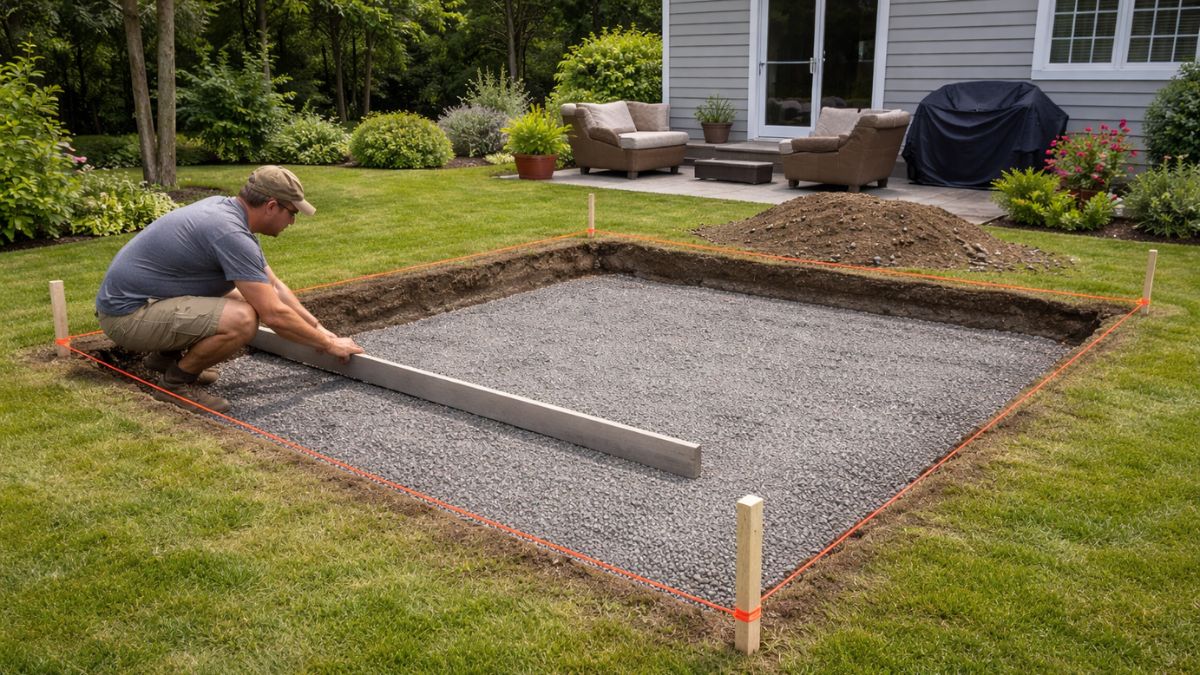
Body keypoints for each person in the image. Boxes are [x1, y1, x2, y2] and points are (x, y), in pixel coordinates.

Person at [95, 165, 363, 413]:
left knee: (242, 300)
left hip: (143, 305)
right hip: (128, 318)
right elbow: (273, 314)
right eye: (291, 213)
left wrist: (319, 329)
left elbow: (273, 285)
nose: (292, 222)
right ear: (271, 206)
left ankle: (165, 359)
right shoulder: (229, 233)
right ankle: (176, 383)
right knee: (243, 318)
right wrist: (328, 345)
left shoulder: (227, 213)